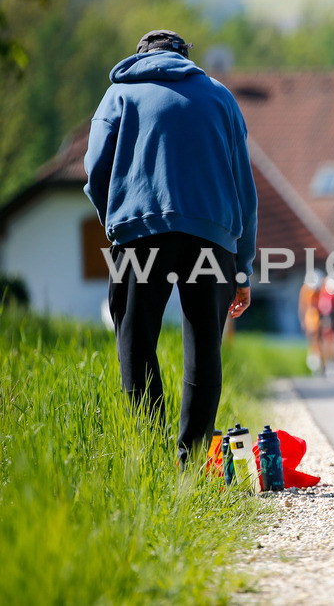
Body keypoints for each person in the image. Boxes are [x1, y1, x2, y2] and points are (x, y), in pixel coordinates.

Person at [84, 29, 258, 466]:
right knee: (204, 349)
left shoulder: (119, 96)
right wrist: (242, 270)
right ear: (186, 57)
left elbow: (94, 172)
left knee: (135, 341)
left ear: (139, 56)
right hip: (212, 236)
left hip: (140, 236)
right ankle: (190, 464)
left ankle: (153, 459)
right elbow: (244, 189)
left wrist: (116, 222)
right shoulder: (219, 97)